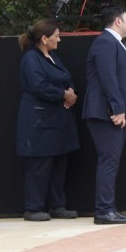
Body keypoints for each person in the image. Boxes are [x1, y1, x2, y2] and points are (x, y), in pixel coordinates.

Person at [83, 5, 126, 225]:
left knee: (112, 161)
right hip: (106, 114)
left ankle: (109, 208)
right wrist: (118, 109)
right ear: (118, 21)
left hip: (118, 113)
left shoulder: (118, 44)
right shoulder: (105, 43)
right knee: (109, 161)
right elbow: (108, 78)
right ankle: (104, 210)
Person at [16, 20, 80, 222]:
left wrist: (71, 93)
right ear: (44, 38)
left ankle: (58, 205)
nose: (59, 39)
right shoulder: (31, 59)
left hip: (59, 120)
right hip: (39, 121)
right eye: (56, 36)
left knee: (59, 162)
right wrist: (63, 94)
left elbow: (66, 78)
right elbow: (38, 86)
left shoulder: (52, 57)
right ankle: (33, 207)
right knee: (40, 164)